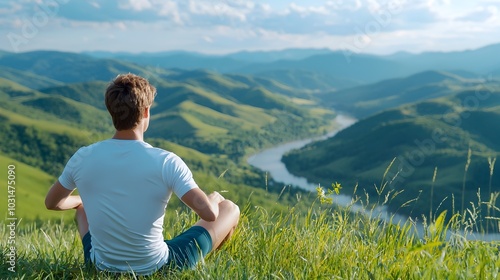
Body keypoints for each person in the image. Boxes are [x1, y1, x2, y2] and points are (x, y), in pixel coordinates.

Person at [44, 73, 240, 275]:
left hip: (99, 265)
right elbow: (209, 214)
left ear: (112, 112)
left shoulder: (83, 157)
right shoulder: (166, 161)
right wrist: (214, 198)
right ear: (146, 112)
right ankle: (209, 264)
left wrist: (79, 200)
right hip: (158, 267)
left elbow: (52, 203)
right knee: (229, 208)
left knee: (82, 208)